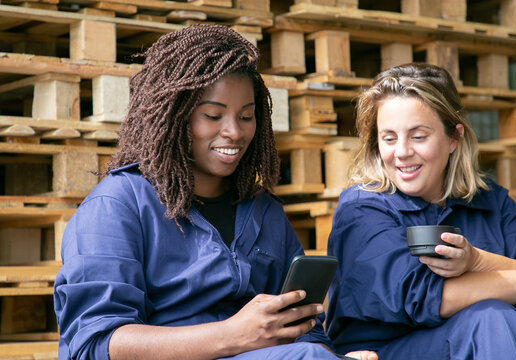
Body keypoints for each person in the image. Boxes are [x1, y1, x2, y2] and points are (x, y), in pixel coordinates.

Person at [53, 24, 378, 360]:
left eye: (247, 116)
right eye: (212, 115)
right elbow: (92, 345)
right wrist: (233, 335)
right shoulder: (117, 205)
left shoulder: (263, 211)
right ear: (174, 115)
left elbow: (303, 325)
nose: (234, 131)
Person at [326, 63, 516, 359]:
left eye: (418, 136)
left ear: (454, 138)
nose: (401, 152)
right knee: (489, 318)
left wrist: (477, 261)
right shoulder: (362, 208)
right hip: (387, 352)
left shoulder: (490, 202)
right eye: (389, 138)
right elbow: (424, 296)